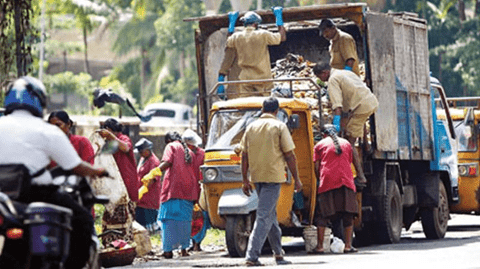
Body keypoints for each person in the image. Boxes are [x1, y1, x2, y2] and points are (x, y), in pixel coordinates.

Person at [0, 76, 107, 269]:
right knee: (83, 221)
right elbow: (76, 166)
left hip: (3, 199)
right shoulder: (46, 131)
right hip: (36, 193)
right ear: (38, 101)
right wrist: (98, 171)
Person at [240, 97, 303, 266]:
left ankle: (278, 253)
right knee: (263, 216)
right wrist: (297, 179)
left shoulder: (250, 127)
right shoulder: (279, 126)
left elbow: (244, 156)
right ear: (276, 111)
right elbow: (290, 155)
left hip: (257, 177)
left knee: (270, 215)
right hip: (273, 177)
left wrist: (245, 179)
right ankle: (252, 256)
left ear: (262, 109)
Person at [314, 62, 378, 185]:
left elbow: (337, 107)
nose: (320, 80)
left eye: (319, 77)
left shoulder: (332, 80)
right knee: (357, 124)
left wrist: (336, 126)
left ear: (324, 73)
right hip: (370, 101)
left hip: (361, 107)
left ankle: (360, 176)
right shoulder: (344, 72)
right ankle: (366, 145)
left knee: (349, 142)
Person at [217, 8, 287, 98]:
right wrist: (279, 19)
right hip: (263, 79)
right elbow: (282, 37)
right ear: (256, 24)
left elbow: (229, 42)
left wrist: (231, 26)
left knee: (247, 105)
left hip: (245, 80)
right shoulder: (263, 34)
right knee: (265, 103)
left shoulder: (237, 36)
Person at [312, 124, 358, 253]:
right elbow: (348, 162)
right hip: (346, 182)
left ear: (323, 135)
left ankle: (320, 247)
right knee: (348, 214)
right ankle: (348, 246)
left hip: (327, 182)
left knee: (323, 215)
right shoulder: (346, 144)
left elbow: (317, 167)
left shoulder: (319, 145)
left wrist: (319, 180)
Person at [156, 131, 198, 259]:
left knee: (168, 220)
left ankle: (168, 251)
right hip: (188, 191)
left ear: (168, 140)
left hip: (172, 190)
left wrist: (155, 172)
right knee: (184, 221)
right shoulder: (190, 152)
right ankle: (184, 249)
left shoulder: (171, 146)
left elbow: (167, 162)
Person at [97, 118, 139, 203]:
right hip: (115, 182)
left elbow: (125, 148)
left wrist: (111, 136)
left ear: (109, 129)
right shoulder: (108, 142)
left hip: (126, 181)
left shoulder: (123, 138)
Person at [181, 129, 209, 251]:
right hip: (187, 191)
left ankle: (197, 242)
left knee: (201, 217)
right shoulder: (181, 154)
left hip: (200, 191)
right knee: (189, 218)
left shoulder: (203, 154)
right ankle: (190, 243)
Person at [135, 138, 161, 232]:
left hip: (149, 195)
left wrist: (143, 189)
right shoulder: (143, 159)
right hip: (141, 197)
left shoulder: (153, 161)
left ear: (147, 151)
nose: (140, 154)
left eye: (141, 152)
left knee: (148, 217)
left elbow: (153, 179)